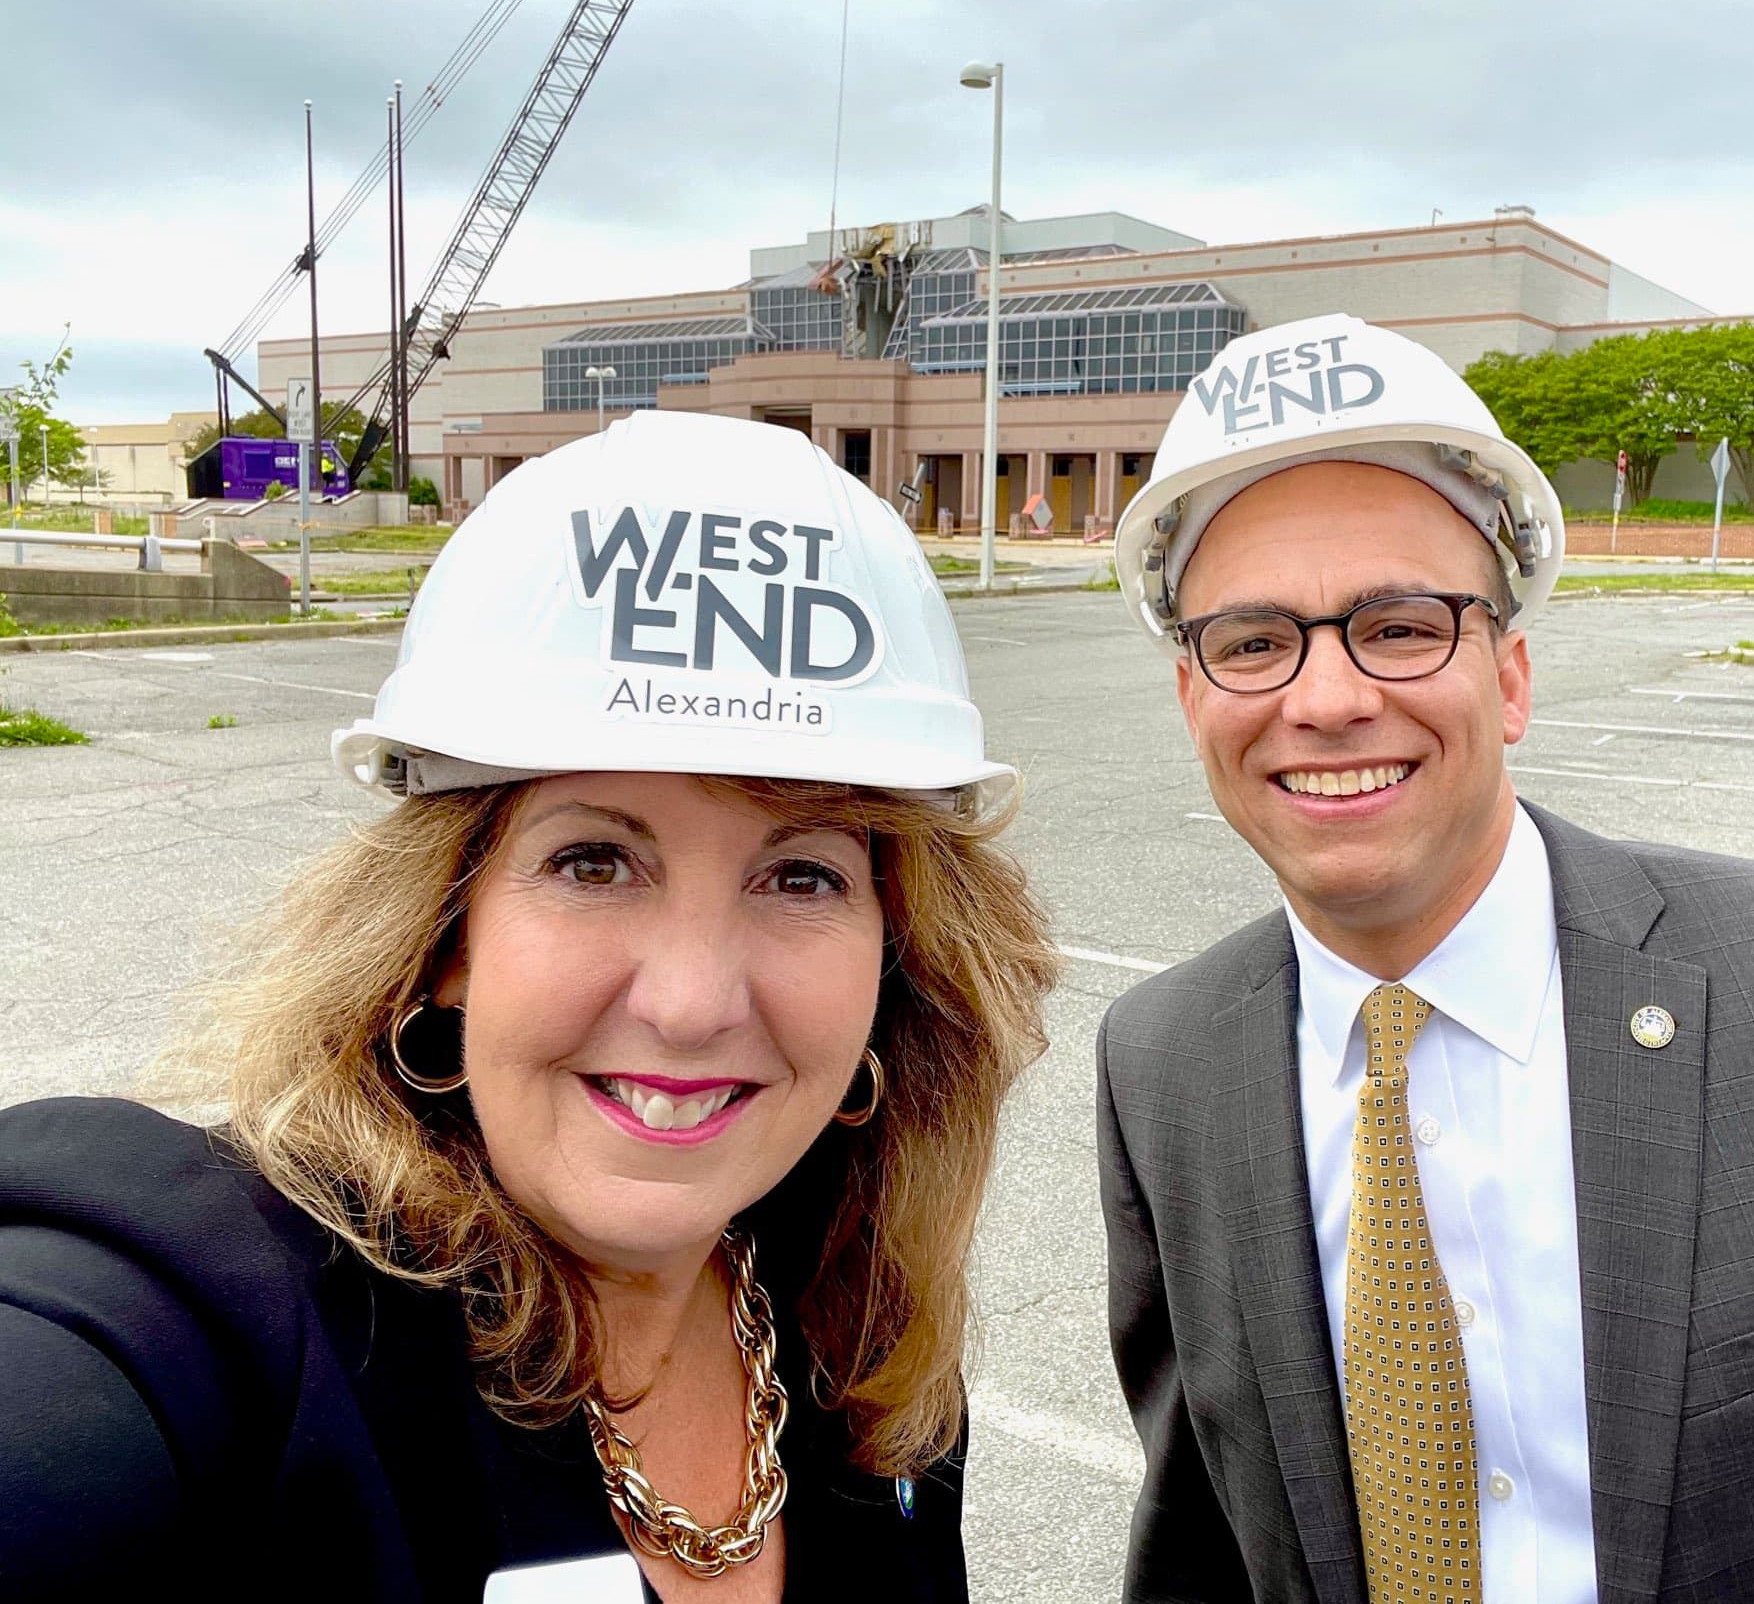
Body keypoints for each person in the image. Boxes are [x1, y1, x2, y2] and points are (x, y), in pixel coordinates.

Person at [0, 412, 1055, 1600]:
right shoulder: (230, 1315)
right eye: (593, 861)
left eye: (800, 873)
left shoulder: (866, 1352)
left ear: (893, 956)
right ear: (445, 932)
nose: (693, 1001)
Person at [1096, 314, 1754, 1603]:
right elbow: (1194, 1545)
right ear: (1191, 700)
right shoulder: (1162, 1063)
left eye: (1398, 622)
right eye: (1253, 641)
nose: (1321, 700)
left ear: (1512, 676)